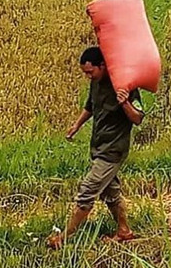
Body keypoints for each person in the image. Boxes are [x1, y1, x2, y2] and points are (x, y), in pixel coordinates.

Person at [47, 47, 144, 249]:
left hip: (113, 150)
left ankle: (63, 238)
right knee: (111, 192)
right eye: (85, 73)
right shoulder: (96, 83)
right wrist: (77, 125)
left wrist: (124, 102)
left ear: (102, 66)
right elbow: (90, 106)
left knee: (87, 191)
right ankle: (124, 230)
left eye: (90, 72)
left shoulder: (123, 84)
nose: (88, 76)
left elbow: (137, 118)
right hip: (99, 146)